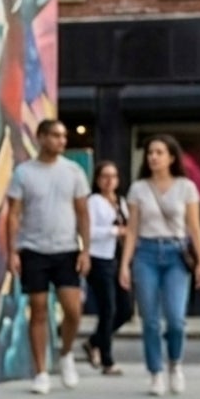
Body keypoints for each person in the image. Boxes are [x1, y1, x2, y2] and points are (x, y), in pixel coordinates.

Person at [4, 120, 91, 395]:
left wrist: (85, 250)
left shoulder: (74, 171)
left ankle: (66, 354)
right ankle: (41, 372)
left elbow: (83, 213)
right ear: (41, 137)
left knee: (73, 310)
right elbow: (13, 214)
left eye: (63, 136)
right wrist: (12, 252)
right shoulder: (24, 172)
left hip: (66, 249)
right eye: (55, 135)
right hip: (33, 249)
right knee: (38, 309)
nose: (61, 140)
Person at [120, 135, 200, 396]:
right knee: (150, 320)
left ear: (171, 157)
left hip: (176, 253)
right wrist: (125, 264)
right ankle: (155, 371)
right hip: (146, 253)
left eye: (159, 152)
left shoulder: (186, 187)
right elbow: (132, 229)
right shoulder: (138, 189)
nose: (154, 157)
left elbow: (194, 227)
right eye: (150, 153)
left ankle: (175, 364)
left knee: (176, 318)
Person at [84, 160, 131, 375]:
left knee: (125, 309)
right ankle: (107, 359)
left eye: (113, 176)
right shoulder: (93, 202)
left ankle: (95, 341)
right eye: (105, 176)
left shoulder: (121, 202)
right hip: (99, 258)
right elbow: (89, 231)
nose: (109, 181)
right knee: (108, 308)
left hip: (118, 259)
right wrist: (114, 231)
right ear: (97, 179)